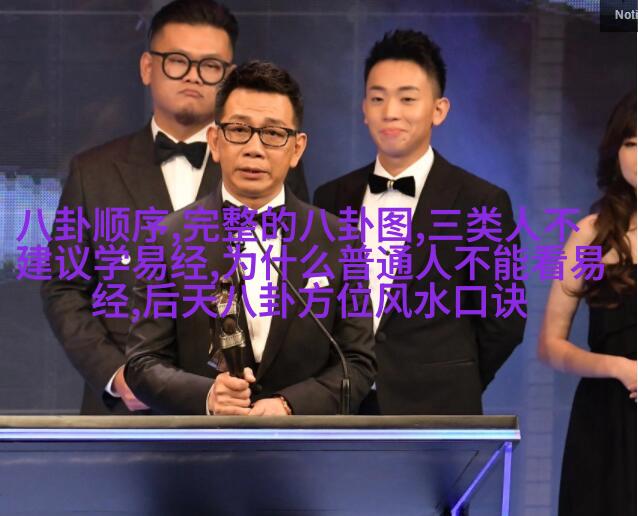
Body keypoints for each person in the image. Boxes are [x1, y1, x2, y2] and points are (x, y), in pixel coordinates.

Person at [41, 0, 309, 415]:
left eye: (210, 66)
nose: (193, 76)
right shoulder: (92, 172)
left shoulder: (270, 162)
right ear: (148, 67)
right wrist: (115, 374)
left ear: (229, 77)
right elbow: (64, 287)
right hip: (131, 408)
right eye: (178, 61)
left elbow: (299, 278)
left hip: (244, 406)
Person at [124, 60, 376, 416]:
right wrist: (208, 397)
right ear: (215, 141)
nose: (254, 148)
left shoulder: (339, 240)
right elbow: (142, 363)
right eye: (239, 130)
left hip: (303, 445)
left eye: (273, 133)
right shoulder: (166, 239)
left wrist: (291, 405)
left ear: (297, 148)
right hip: (200, 444)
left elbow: (357, 362)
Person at [314, 29, 526, 415]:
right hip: (342, 407)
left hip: (438, 408)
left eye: (407, 98)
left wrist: (457, 380)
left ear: (438, 110)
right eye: (378, 98)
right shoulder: (331, 197)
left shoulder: (482, 202)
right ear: (364, 109)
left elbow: (505, 318)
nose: (390, 112)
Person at [538, 91, 636, 516]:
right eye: (631, 143)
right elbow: (550, 346)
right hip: (606, 417)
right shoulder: (589, 234)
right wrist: (619, 367)